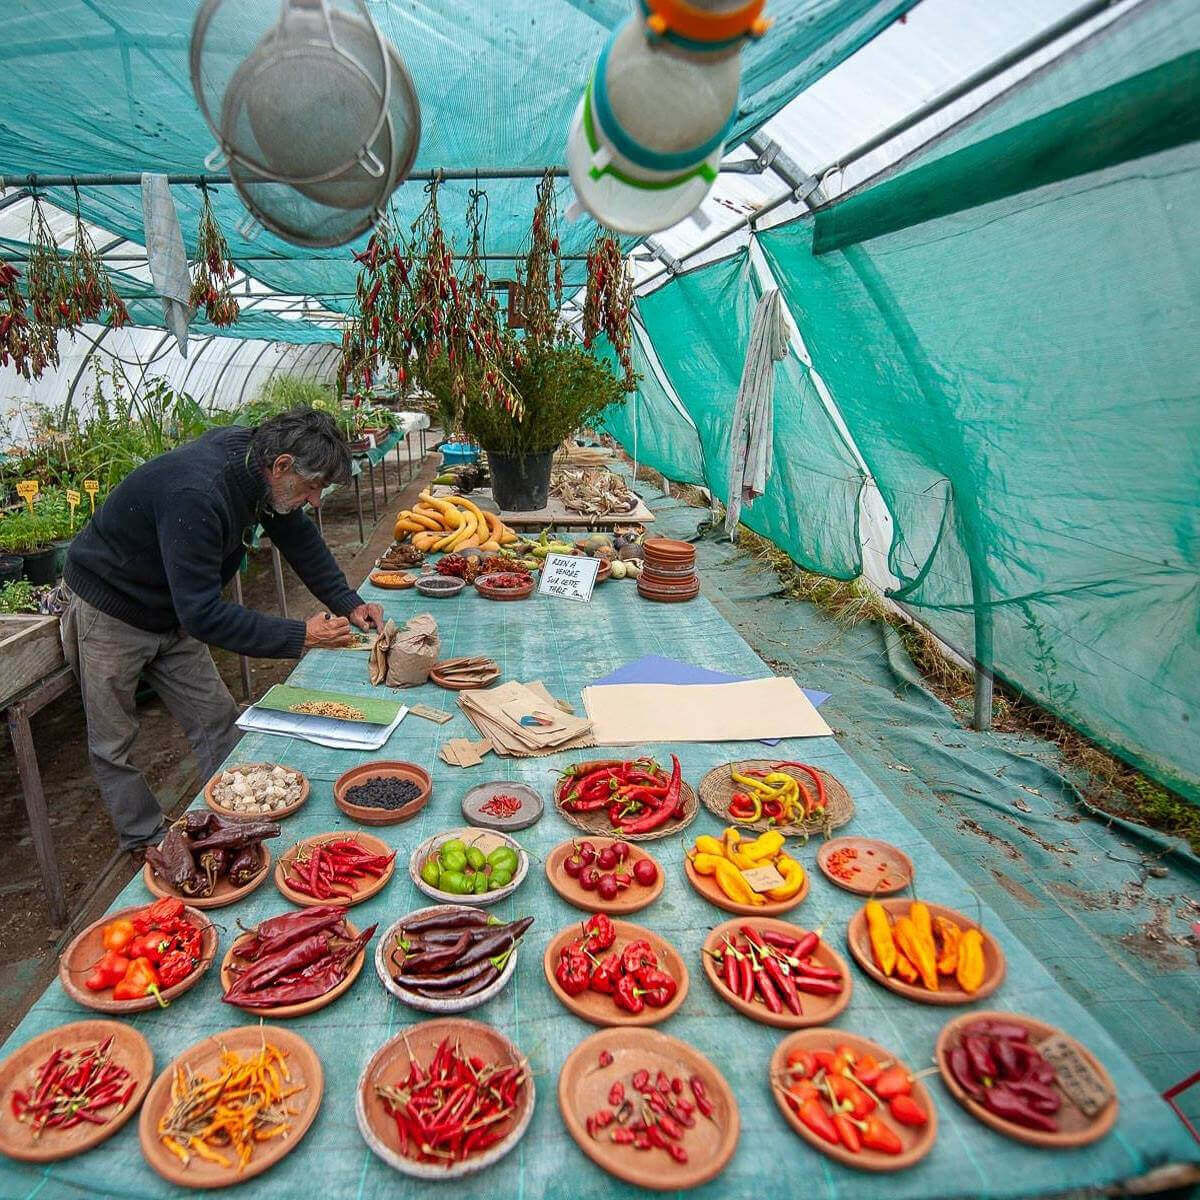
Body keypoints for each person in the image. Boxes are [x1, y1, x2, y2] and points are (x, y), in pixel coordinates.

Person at [60, 406, 384, 859]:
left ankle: (232, 819)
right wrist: (300, 636)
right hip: (112, 607)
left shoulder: (258, 466)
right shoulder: (198, 492)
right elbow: (204, 616)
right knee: (114, 741)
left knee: (217, 718)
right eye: (311, 488)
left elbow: (298, 536)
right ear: (283, 466)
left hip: (174, 609)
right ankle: (146, 840)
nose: (314, 500)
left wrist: (346, 603)